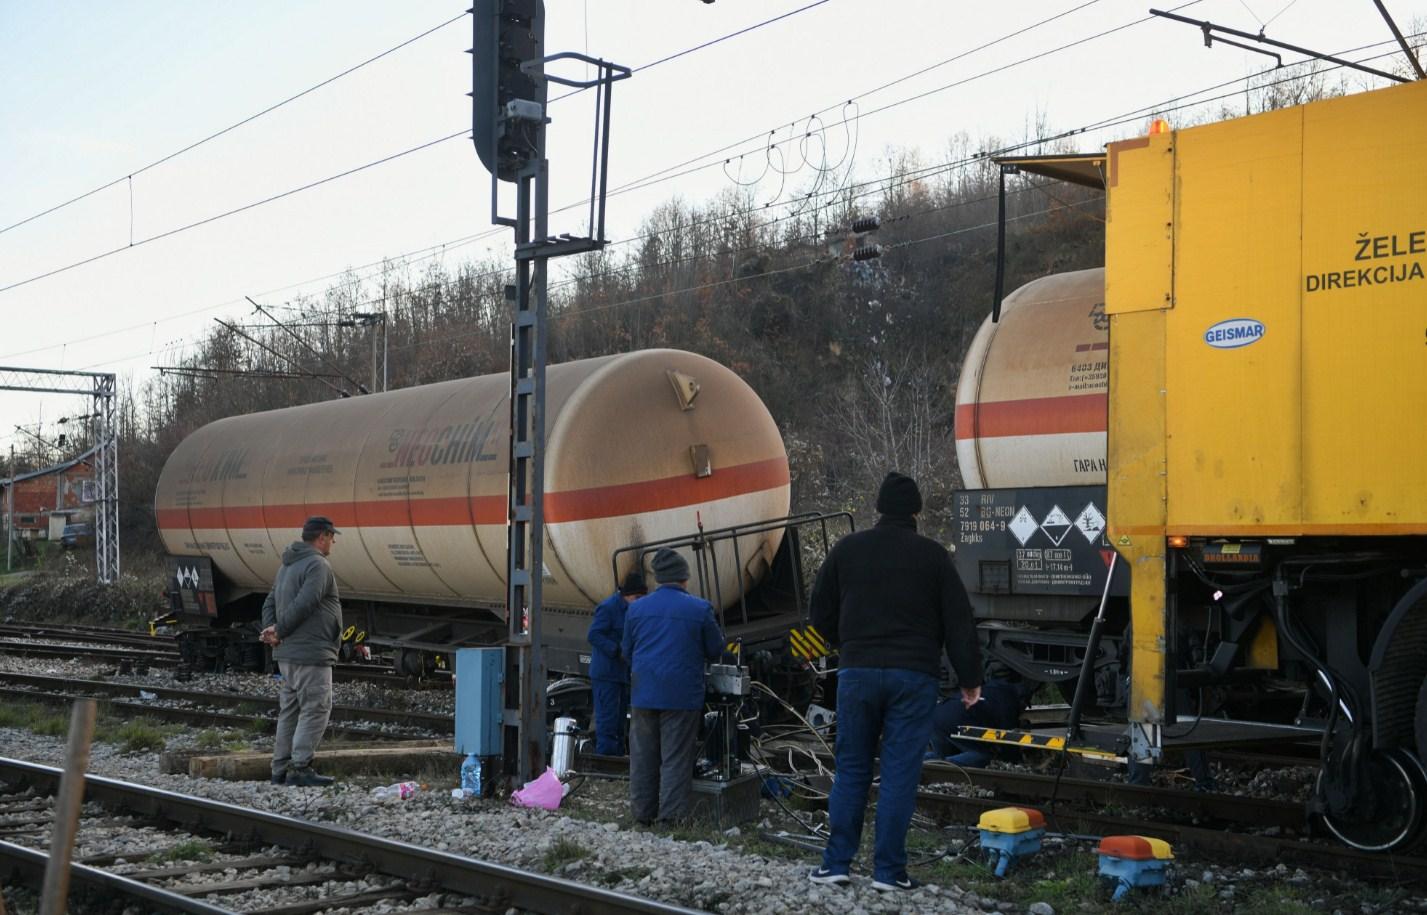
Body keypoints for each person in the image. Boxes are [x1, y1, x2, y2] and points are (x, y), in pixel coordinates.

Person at [808, 471, 984, 892]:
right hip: (913, 676)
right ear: (917, 512)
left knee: (851, 768)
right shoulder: (933, 556)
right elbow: (959, 622)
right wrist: (970, 679)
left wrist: (847, 643)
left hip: (857, 673)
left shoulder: (847, 550)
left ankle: (836, 865)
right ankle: (889, 873)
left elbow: (819, 611)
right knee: (900, 773)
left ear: (879, 509)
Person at [622, 548, 724, 826]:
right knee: (675, 758)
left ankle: (642, 815)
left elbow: (626, 651)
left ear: (658, 579)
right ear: (684, 579)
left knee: (643, 757)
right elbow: (716, 649)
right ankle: (670, 818)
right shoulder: (699, 608)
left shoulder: (637, 608)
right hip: (681, 695)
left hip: (644, 693)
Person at [260, 516, 343, 787]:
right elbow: (306, 603)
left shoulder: (288, 565)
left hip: (288, 655)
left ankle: (280, 769)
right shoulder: (318, 565)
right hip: (310, 651)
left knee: (291, 711)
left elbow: (270, 602)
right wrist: (279, 631)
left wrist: (270, 630)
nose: (333, 542)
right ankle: (300, 767)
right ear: (322, 536)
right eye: (332, 537)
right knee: (316, 708)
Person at [928, 662, 1037, 766]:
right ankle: (946, 766)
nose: (1022, 710)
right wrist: (1014, 760)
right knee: (982, 756)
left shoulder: (991, 691)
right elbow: (1007, 738)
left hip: (935, 716)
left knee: (941, 755)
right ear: (1022, 699)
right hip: (954, 721)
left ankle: (922, 763)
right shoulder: (1008, 701)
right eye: (1024, 707)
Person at [586, 571, 647, 755]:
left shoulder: (631, 610)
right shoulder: (608, 608)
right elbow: (593, 635)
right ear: (626, 595)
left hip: (621, 674)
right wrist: (616, 650)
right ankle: (606, 763)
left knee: (619, 722)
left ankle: (617, 759)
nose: (640, 602)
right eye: (637, 597)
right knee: (607, 722)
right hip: (606, 674)